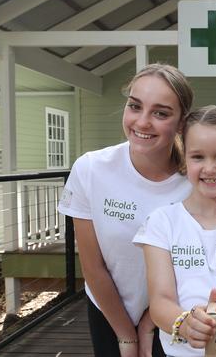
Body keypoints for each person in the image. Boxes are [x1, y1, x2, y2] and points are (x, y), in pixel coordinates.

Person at [57, 63, 194, 357]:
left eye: (161, 113)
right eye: (135, 106)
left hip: (174, 312)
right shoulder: (91, 169)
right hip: (108, 310)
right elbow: (93, 266)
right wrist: (125, 335)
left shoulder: (195, 182)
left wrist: (148, 324)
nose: (142, 122)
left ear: (182, 123)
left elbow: (191, 268)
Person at [134, 105, 216, 357]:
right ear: (185, 157)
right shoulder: (161, 222)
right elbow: (160, 303)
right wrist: (185, 324)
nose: (209, 168)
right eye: (198, 157)